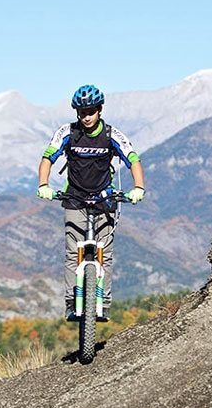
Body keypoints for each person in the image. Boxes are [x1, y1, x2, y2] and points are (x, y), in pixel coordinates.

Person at [36, 84, 145, 319]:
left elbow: (132, 159)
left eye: (91, 111)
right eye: (82, 112)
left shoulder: (111, 135)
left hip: (104, 197)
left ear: (100, 110)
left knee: (104, 251)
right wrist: (43, 184)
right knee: (71, 251)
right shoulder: (67, 132)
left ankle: (102, 302)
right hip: (74, 196)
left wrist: (138, 187)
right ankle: (70, 301)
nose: (86, 117)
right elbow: (47, 157)